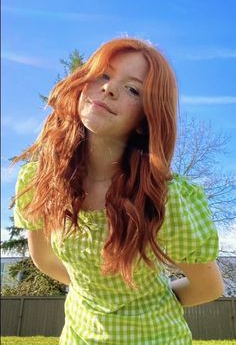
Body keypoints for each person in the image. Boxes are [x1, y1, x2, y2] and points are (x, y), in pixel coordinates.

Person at [11, 37, 224, 344]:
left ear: (144, 119)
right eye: (104, 75)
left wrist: (147, 303)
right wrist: (95, 292)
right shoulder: (40, 179)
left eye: (133, 89)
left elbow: (208, 287)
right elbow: (43, 258)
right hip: (78, 336)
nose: (109, 88)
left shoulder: (167, 198)